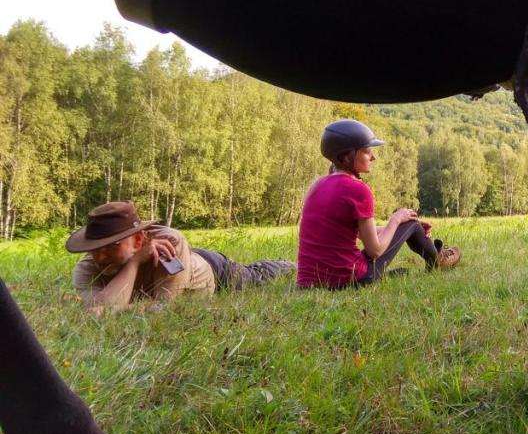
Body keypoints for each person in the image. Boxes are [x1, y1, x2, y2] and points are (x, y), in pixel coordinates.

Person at [298, 119, 461, 289]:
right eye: (367, 151)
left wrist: (401, 228)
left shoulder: (316, 185)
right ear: (346, 156)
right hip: (350, 280)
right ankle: (438, 261)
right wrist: (396, 220)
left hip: (309, 282)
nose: (373, 157)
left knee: (410, 223)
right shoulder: (358, 189)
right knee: (411, 223)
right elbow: (374, 251)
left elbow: (357, 232)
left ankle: (425, 248)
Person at [67, 201, 295, 312]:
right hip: (189, 263)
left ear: (138, 241)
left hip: (215, 272)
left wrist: (113, 308)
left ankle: (290, 265)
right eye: (94, 247)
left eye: (111, 246)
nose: (100, 256)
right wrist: (135, 263)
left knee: (257, 275)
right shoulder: (86, 269)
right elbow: (95, 310)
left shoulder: (170, 242)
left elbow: (165, 308)